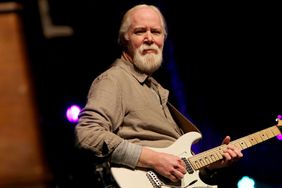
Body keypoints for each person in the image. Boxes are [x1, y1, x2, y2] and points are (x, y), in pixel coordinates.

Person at [75, 4, 243, 187]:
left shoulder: (155, 88)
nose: (149, 38)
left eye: (156, 32)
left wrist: (211, 166)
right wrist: (153, 159)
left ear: (163, 39)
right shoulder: (114, 79)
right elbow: (88, 135)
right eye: (140, 31)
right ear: (125, 39)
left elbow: (179, 169)